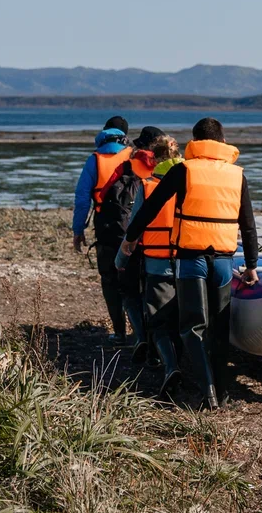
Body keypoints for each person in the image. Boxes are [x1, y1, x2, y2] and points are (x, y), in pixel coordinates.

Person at [121, 117, 259, 410]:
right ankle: (222, 394)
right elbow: (248, 224)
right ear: (222, 141)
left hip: (189, 259)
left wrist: (130, 239)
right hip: (223, 260)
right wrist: (252, 264)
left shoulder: (185, 170)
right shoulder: (237, 175)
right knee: (219, 328)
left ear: (195, 141)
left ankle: (207, 391)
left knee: (192, 327)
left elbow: (152, 207)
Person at [116, 134, 182, 391]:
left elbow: (134, 228)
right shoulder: (193, 182)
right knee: (185, 319)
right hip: (190, 262)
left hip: (157, 263)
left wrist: (121, 259)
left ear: (154, 158)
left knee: (158, 320)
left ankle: (170, 366)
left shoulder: (148, 186)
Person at [100, 125, 166, 355]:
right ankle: (157, 341)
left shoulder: (128, 166)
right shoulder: (169, 169)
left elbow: (104, 196)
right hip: (159, 241)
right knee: (153, 292)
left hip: (127, 237)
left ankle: (139, 336)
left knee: (128, 291)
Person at [72, 116, 132, 343]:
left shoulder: (94, 160)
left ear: (105, 132)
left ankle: (119, 332)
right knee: (134, 281)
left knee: (110, 280)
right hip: (134, 228)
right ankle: (142, 332)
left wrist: (78, 230)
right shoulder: (134, 157)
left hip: (106, 228)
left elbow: (81, 199)